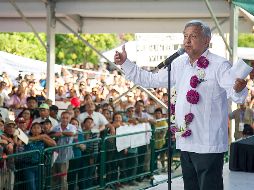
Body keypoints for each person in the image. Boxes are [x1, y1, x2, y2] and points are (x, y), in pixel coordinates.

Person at [114, 20, 249, 190]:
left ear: (207, 40)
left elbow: (235, 95)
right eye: (185, 36)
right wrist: (126, 63)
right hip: (185, 141)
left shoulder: (219, 65)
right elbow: (150, 79)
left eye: (193, 36)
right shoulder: (178, 64)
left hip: (208, 143)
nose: (187, 41)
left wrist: (238, 89)